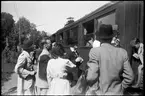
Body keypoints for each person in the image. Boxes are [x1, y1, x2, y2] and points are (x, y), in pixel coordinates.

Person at [85, 24, 134, 95]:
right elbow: (130, 77)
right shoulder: (122, 52)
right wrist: (121, 88)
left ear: (99, 38)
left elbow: (91, 77)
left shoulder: (94, 51)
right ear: (111, 37)